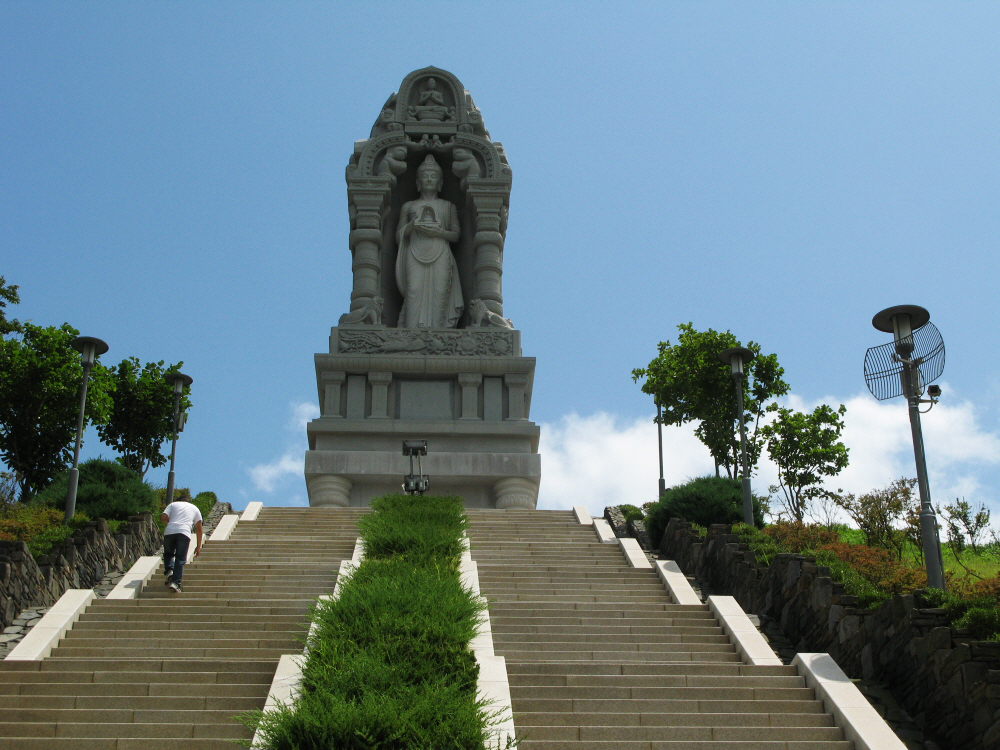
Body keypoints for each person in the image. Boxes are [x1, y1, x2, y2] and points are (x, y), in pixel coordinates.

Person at [395, 155, 463, 328]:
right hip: (415, 252)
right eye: (425, 176)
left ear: (440, 182)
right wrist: (411, 226)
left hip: (440, 252)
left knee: (440, 292)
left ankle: (438, 334)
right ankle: (411, 334)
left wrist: (439, 232)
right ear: (418, 181)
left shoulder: (448, 206)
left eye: (433, 176)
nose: (429, 179)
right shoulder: (408, 206)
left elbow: (456, 235)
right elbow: (398, 236)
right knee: (414, 291)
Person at [160, 491, 203, 593]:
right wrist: (198, 546)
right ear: (188, 501)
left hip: (170, 532)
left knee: (169, 554)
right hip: (184, 533)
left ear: (178, 501)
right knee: (180, 559)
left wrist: (169, 522)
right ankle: (175, 583)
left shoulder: (172, 504)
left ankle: (170, 571)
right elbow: (199, 529)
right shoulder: (195, 508)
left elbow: (163, 518)